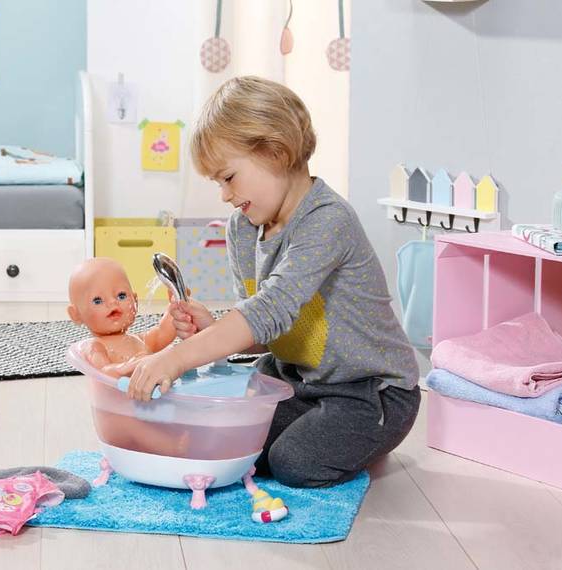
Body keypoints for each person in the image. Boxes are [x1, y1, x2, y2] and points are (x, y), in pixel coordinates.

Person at [115, 76, 421, 488]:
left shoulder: (327, 221)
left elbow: (268, 310)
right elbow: (266, 330)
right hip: (295, 380)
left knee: (295, 463)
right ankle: (318, 433)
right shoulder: (242, 229)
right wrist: (215, 326)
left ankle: (358, 440)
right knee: (227, 444)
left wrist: (172, 360)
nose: (224, 195)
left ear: (275, 152)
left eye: (228, 178)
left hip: (370, 392)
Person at [67, 257, 187, 457]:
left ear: (135, 301)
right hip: (120, 419)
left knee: (183, 415)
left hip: (151, 411)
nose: (113, 303)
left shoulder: (139, 341)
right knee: (164, 442)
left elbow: (164, 332)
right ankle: (177, 451)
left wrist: (175, 306)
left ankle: (179, 444)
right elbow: (104, 372)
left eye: (122, 295)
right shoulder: (95, 346)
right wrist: (134, 365)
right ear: (76, 314)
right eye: (98, 300)